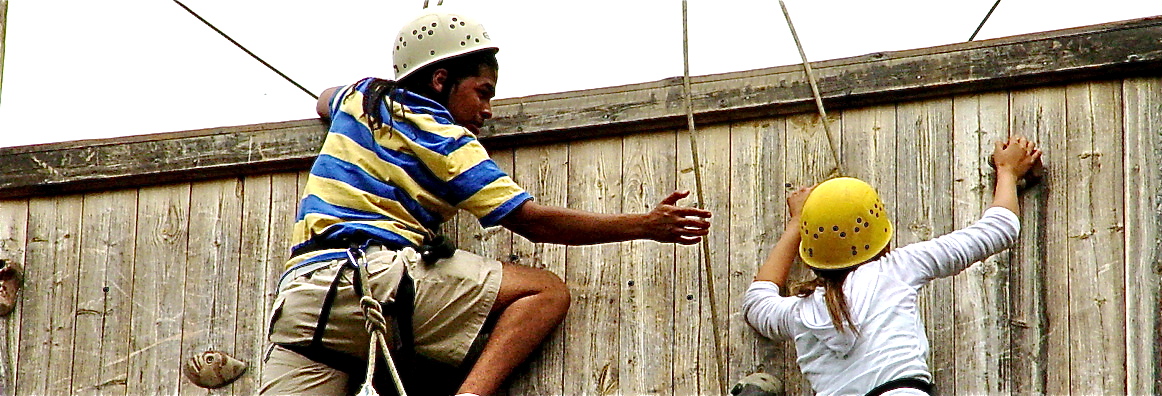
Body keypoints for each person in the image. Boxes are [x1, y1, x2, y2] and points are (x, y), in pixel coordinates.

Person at [260, 8, 712, 396]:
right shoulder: (448, 140)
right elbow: (534, 222)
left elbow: (323, 100)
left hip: (302, 302)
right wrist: (645, 225)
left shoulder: (362, 96)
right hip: (379, 284)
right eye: (482, 91)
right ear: (441, 80)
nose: (488, 111)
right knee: (545, 290)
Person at [742, 136, 1042, 396]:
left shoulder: (800, 312)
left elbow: (757, 304)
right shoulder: (897, 268)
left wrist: (797, 223)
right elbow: (998, 229)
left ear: (812, 255)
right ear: (883, 237)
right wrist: (1007, 171)